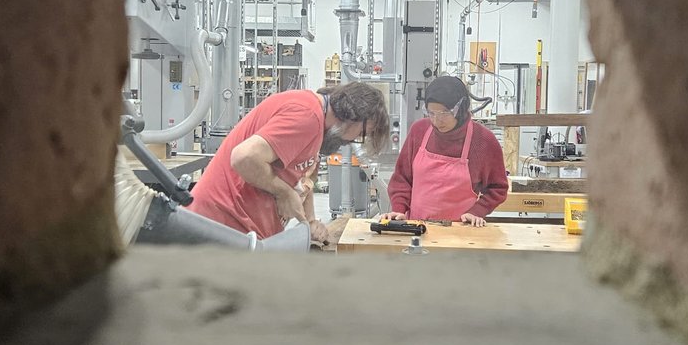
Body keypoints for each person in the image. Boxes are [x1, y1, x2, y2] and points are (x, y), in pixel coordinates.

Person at [189, 82, 389, 242]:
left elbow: (305, 175)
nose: (355, 140)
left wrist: (310, 221)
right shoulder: (306, 115)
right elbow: (244, 157)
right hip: (220, 225)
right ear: (352, 115)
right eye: (362, 133)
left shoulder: (318, 126)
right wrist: (284, 192)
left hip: (243, 230)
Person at [384, 75, 508, 226]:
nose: (437, 121)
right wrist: (399, 209)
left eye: (444, 113)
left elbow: (498, 188)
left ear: (461, 108)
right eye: (431, 113)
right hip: (417, 228)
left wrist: (476, 212)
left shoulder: (483, 141)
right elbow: (402, 178)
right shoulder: (419, 131)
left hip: (460, 234)